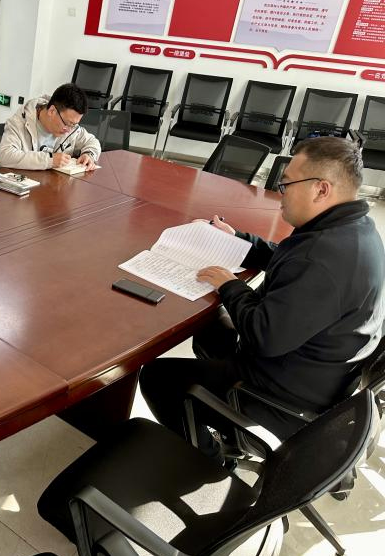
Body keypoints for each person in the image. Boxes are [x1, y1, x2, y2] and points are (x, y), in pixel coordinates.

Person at [139, 136, 385, 460]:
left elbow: (263, 336)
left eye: (287, 185)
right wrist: (238, 240)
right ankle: (216, 426)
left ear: (321, 189)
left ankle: (212, 461)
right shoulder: (353, 229)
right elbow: (289, 260)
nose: (281, 194)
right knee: (210, 329)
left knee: (158, 378)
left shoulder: (322, 258)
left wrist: (230, 285)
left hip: (281, 398)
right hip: (313, 373)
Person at [0, 83, 101, 171]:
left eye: (73, 124)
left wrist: (89, 154)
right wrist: (49, 160)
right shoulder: (19, 122)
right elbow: (4, 156)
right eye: (67, 123)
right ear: (52, 111)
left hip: (54, 184)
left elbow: (92, 141)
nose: (68, 130)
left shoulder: (70, 127)